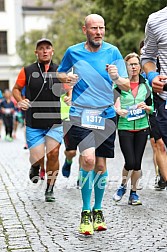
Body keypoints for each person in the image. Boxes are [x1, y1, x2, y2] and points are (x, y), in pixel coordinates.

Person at [57, 14, 130, 235]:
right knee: (87, 159)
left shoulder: (113, 52)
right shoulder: (73, 51)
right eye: (94, 28)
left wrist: (116, 77)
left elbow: (126, 86)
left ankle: (98, 210)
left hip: (106, 115)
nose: (98, 32)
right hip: (81, 113)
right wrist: (66, 79)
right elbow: (60, 72)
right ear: (85, 30)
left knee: (100, 166)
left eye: (101, 28)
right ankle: (86, 211)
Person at [12, 38, 63, 202]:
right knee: (38, 156)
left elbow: (69, 88)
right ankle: (35, 165)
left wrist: (69, 96)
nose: (45, 51)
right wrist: (20, 100)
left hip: (54, 122)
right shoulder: (27, 71)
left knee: (54, 154)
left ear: (52, 51)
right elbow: (16, 89)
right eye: (41, 48)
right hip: (34, 123)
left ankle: (50, 188)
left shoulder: (60, 70)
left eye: (48, 48)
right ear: (36, 52)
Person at [113, 52, 154, 205]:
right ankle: (122, 185)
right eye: (131, 64)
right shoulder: (120, 85)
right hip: (125, 127)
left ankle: (134, 193)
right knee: (130, 162)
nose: (134, 67)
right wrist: (118, 110)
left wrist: (147, 107)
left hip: (142, 127)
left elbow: (152, 107)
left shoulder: (146, 85)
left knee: (137, 163)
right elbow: (115, 103)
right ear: (126, 67)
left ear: (140, 67)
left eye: (136, 64)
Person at [141, 7, 167, 186]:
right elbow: (147, 57)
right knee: (162, 148)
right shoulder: (156, 20)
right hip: (165, 100)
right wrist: (152, 76)